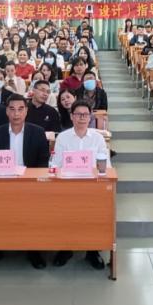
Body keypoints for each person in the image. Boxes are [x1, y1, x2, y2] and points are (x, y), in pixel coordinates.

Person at [0, 93, 51, 270]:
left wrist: (31, 182)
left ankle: (33, 249)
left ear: (26, 111)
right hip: (2, 184)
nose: (16, 114)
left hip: (30, 184)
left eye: (20, 109)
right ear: (6, 112)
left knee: (34, 211)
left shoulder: (38, 132)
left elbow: (43, 163)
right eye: (12, 109)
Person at [49, 101, 110, 270]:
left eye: (85, 114)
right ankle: (65, 248)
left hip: (92, 187)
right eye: (78, 114)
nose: (82, 117)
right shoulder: (63, 137)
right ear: (71, 117)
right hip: (67, 187)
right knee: (63, 211)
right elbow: (56, 164)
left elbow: (106, 166)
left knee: (96, 211)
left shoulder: (98, 138)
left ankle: (92, 250)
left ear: (90, 117)